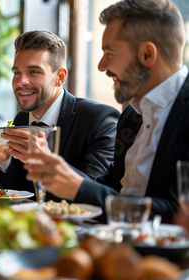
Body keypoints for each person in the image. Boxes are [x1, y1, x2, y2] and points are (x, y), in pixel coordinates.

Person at [24, 0, 189, 222]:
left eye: (109, 53)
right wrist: (58, 172)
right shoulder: (131, 117)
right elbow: (111, 188)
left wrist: (79, 187)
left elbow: (176, 215)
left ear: (147, 54)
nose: (101, 66)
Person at [0, 30, 120, 202]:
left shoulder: (100, 120)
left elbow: (95, 192)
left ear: (60, 77)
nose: (21, 81)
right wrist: (3, 161)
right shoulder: (21, 120)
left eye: (34, 72)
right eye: (16, 73)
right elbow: (19, 193)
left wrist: (47, 161)